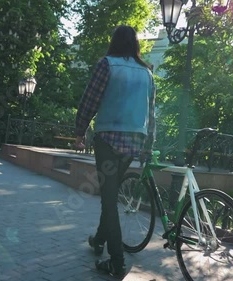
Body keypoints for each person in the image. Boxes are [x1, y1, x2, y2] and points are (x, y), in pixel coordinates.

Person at [75, 25, 156, 278]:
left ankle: (117, 262)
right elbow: (151, 114)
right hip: (134, 141)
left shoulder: (107, 64)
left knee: (109, 198)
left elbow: (90, 99)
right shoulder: (147, 73)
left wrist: (80, 129)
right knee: (110, 192)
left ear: (113, 42)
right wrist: (148, 145)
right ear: (135, 44)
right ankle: (99, 240)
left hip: (108, 139)